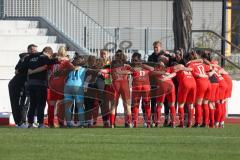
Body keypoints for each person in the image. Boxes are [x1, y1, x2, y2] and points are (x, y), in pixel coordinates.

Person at [23, 46, 59, 128]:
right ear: (49, 53)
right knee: (40, 105)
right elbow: (49, 63)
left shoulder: (31, 58)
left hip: (31, 84)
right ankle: (41, 123)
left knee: (32, 105)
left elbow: (26, 68)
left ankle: (30, 123)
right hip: (40, 84)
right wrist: (59, 59)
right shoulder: (44, 57)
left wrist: (31, 72)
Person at [8, 44, 38, 128]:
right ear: (28, 50)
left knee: (24, 103)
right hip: (17, 84)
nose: (34, 52)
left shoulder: (26, 58)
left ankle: (22, 123)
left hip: (23, 83)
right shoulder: (27, 58)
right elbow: (17, 70)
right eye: (32, 50)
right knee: (20, 104)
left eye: (35, 50)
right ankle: (21, 123)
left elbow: (17, 70)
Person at [130, 52, 154, 128]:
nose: (133, 61)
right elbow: (152, 69)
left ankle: (135, 123)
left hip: (137, 85)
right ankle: (149, 123)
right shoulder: (145, 66)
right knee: (147, 105)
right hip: (146, 86)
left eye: (134, 59)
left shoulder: (133, 67)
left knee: (136, 105)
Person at [64, 54, 86, 127]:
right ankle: (81, 124)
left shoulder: (69, 68)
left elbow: (65, 78)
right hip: (78, 86)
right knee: (80, 106)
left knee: (68, 106)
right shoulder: (84, 69)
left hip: (68, 86)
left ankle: (68, 124)